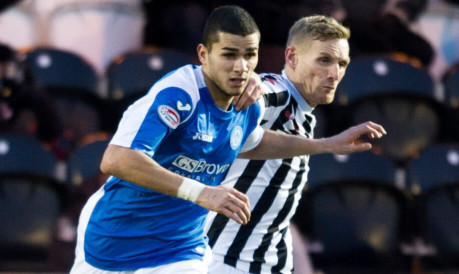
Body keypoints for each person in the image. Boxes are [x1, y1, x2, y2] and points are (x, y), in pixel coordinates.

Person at [70, 6, 386, 274]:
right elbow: (116, 159)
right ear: (203, 55)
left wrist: (325, 145)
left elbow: (254, 141)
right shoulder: (183, 95)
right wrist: (202, 192)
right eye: (230, 55)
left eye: (250, 56)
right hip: (115, 237)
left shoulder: (246, 107)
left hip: (182, 246)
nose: (241, 67)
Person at [204, 15, 353, 274]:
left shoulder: (305, 113)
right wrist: (250, 83)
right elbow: (255, 99)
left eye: (342, 63)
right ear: (292, 58)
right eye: (324, 60)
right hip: (227, 264)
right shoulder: (276, 93)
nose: (335, 73)